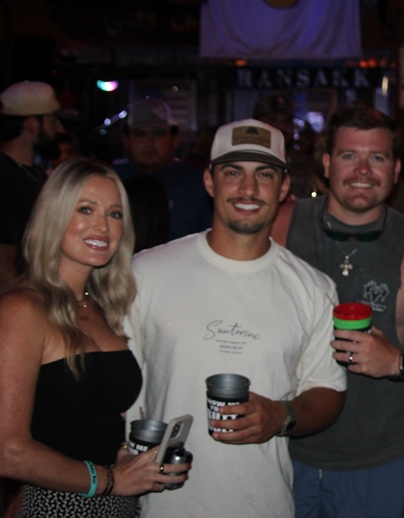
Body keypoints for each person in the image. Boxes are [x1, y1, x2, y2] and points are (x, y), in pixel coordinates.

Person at [125, 119, 346, 517]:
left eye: (264, 174)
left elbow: (328, 391)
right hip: (160, 505)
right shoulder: (146, 273)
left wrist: (281, 415)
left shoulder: (314, 289)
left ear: (284, 187)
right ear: (209, 182)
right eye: (233, 173)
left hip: (263, 504)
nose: (248, 189)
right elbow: (118, 391)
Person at [271, 103, 404, 518]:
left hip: (380, 461)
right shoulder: (282, 226)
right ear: (326, 164)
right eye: (348, 155)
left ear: (395, 169)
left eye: (376, 157)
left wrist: (397, 361)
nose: (362, 170)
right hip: (283, 451)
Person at [0, 158, 189, 517]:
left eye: (114, 214)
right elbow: (7, 452)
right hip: (59, 506)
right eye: (85, 209)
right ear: (54, 216)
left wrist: (127, 460)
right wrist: (110, 480)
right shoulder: (22, 309)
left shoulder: (100, 306)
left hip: (117, 504)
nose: (102, 226)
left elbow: (86, 423)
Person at [114, 97, 212, 241]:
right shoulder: (110, 180)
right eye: (140, 134)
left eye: (158, 133)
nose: (149, 142)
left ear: (175, 139)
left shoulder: (200, 185)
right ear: (126, 140)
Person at [0, 80, 64, 291]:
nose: (59, 129)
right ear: (32, 124)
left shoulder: (36, 174)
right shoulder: (4, 176)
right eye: (52, 120)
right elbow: (3, 266)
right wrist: (25, 305)